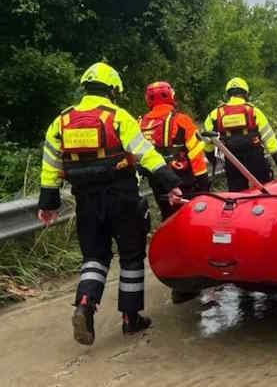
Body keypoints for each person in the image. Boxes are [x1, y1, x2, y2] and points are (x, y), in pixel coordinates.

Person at [37, 62, 182, 346]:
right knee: (130, 256)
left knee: (94, 257)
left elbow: (50, 165)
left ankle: (85, 302)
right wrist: (171, 182)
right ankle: (131, 319)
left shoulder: (62, 121)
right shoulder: (118, 117)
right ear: (113, 90)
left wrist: (49, 202)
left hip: (86, 201)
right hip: (122, 197)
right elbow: (145, 154)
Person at [203, 77, 277, 191]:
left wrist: (211, 158)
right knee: (264, 191)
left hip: (232, 160)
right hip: (255, 158)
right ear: (246, 93)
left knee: (237, 194)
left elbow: (207, 141)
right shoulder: (254, 111)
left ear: (228, 95)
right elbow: (269, 139)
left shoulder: (215, 114)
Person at [140, 81, 209, 220]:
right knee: (189, 218)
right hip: (183, 179)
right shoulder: (181, 120)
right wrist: (203, 183)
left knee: (168, 217)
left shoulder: (141, 123)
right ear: (171, 96)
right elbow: (196, 154)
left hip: (157, 180)